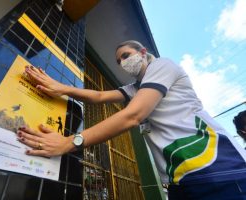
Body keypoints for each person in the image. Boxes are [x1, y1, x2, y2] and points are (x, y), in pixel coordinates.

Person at [16, 40, 246, 199]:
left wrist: (69, 142)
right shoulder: (136, 87)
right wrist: (60, 87)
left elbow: (133, 116)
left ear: (143, 52)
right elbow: (99, 96)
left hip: (218, 169)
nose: (123, 62)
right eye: (118, 61)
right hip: (181, 182)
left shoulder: (162, 65)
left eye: (126, 55)